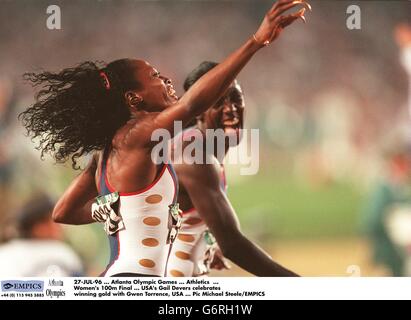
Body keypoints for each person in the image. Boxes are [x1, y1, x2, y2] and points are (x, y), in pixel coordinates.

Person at [20, 0, 310, 277]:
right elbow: (191, 105)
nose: (168, 80)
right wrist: (256, 42)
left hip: (123, 279)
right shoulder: (139, 135)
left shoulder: (110, 150)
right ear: (134, 99)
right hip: (137, 282)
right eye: (156, 76)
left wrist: (114, 210)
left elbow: (63, 211)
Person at [166, 61, 294, 277]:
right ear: (198, 111)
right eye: (218, 102)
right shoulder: (193, 157)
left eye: (236, 98)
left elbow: (183, 219)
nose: (231, 109)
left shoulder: (203, 150)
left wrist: (208, 242)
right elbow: (233, 244)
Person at [0, 194, 83, 277]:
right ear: (38, 226)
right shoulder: (61, 252)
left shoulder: (5, 251)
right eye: (55, 220)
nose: (61, 226)